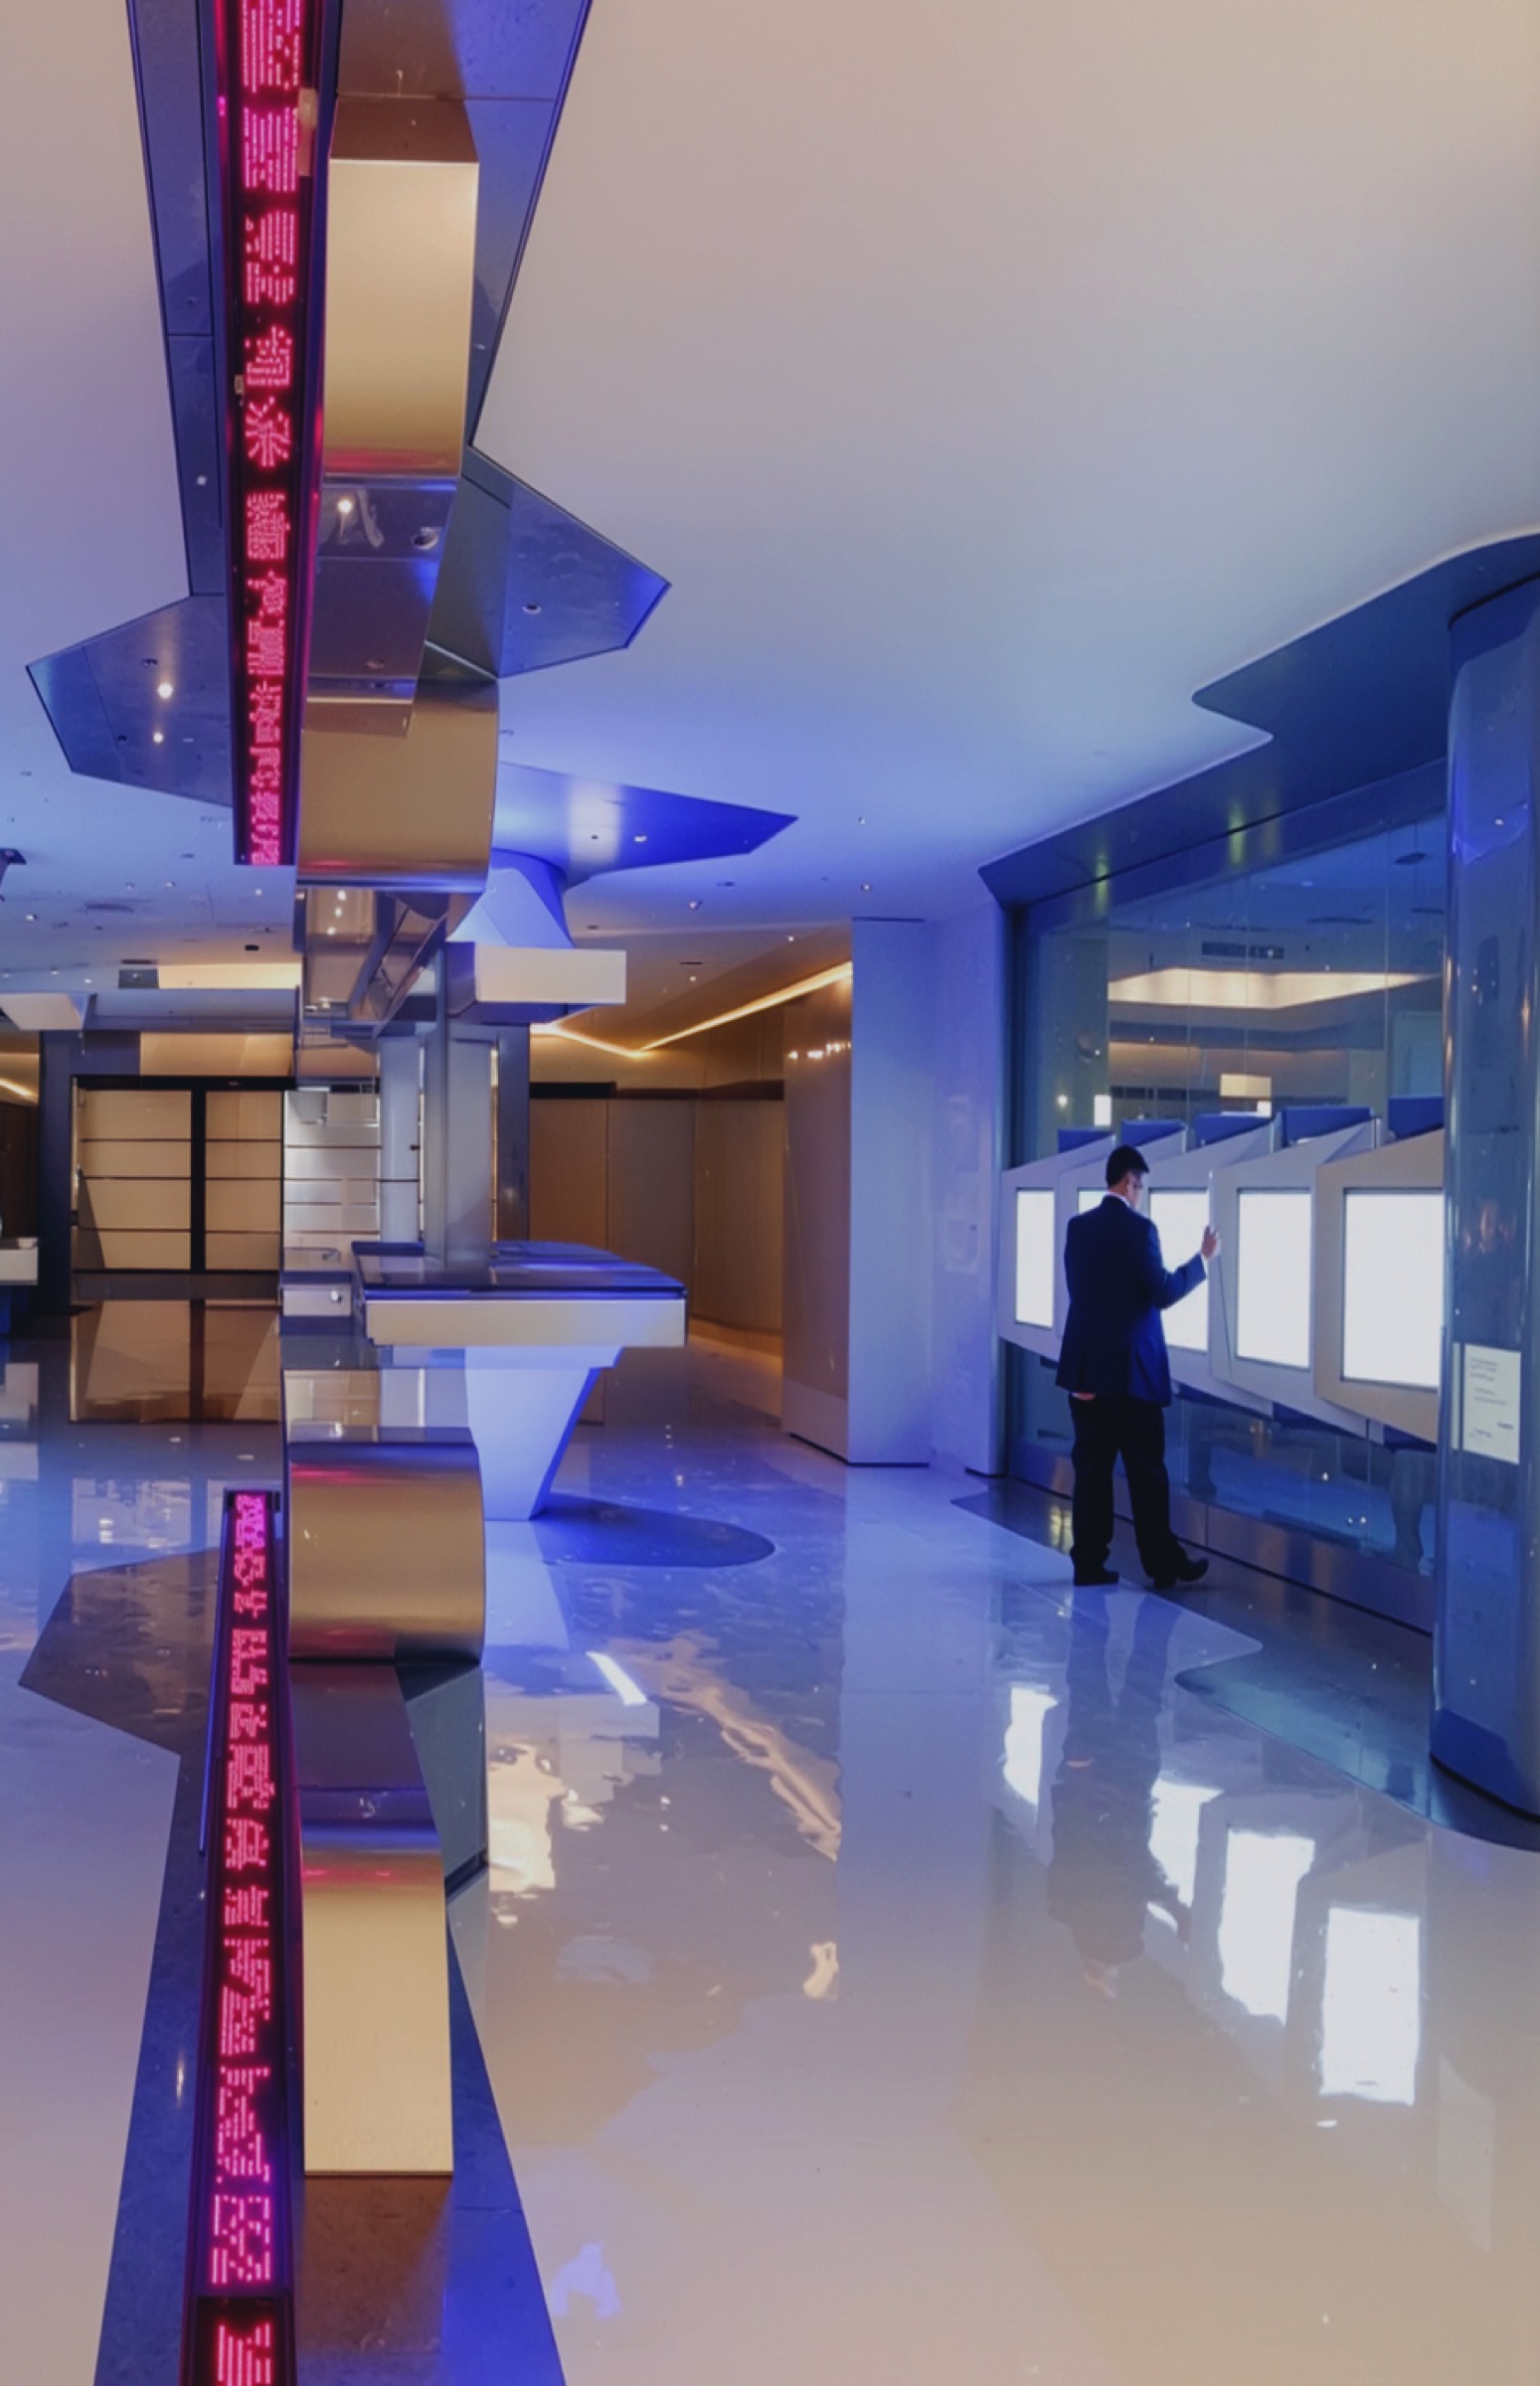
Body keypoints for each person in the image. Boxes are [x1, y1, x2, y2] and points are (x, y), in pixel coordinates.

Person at [1056, 1143, 1218, 1591]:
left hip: (1088, 1374)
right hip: (1132, 1377)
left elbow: (1081, 1292)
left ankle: (1088, 1562)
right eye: (1140, 1186)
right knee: (1147, 1474)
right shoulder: (1141, 1231)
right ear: (1130, 1182)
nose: (1140, 1194)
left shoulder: (1078, 1228)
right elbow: (1163, 1292)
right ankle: (1163, 1564)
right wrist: (1201, 1259)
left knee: (1092, 1473)